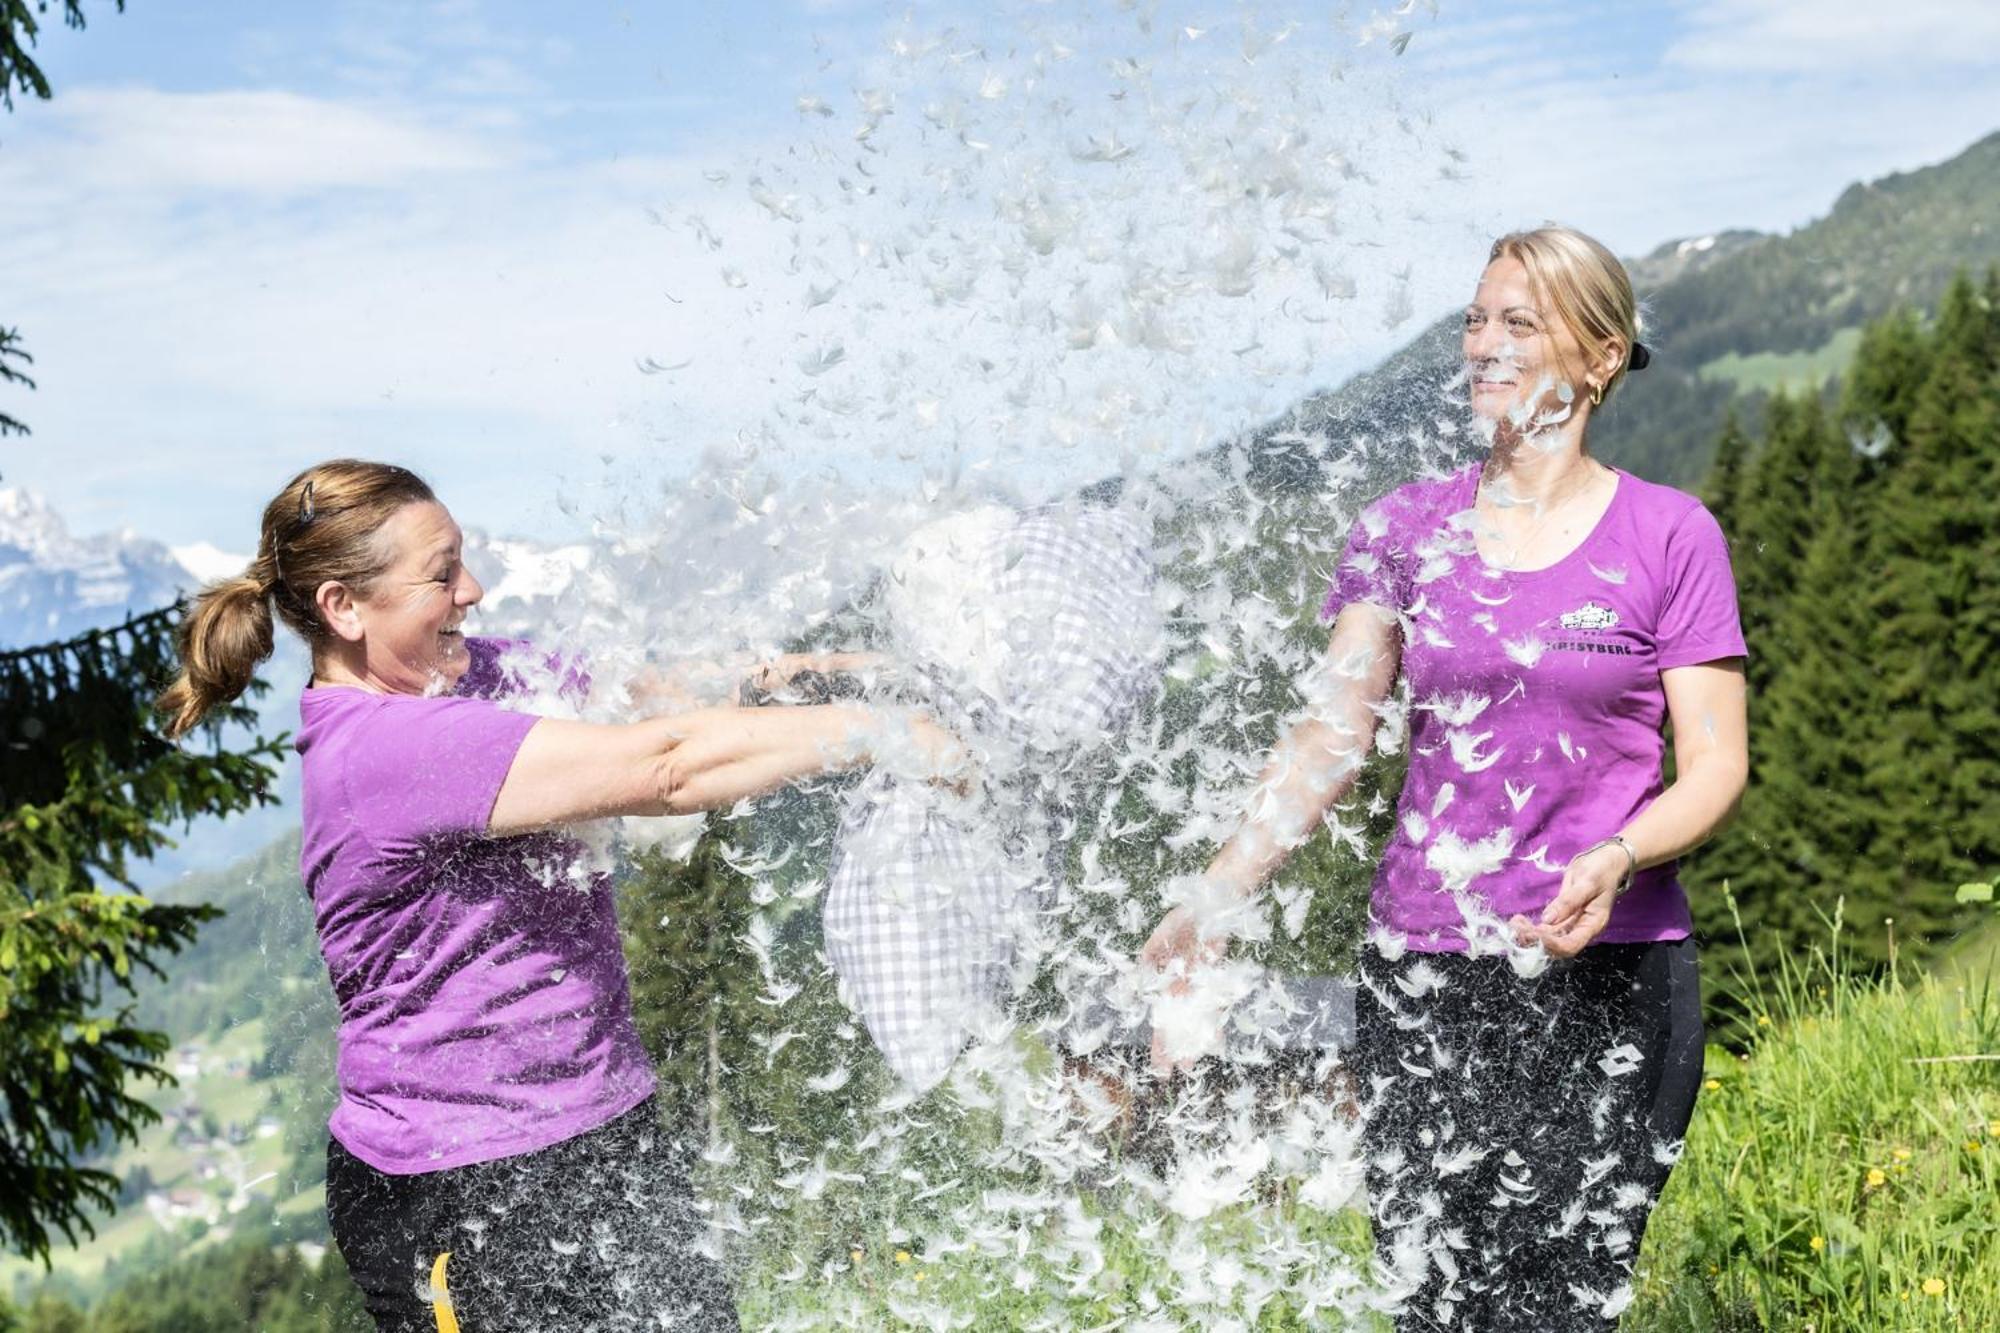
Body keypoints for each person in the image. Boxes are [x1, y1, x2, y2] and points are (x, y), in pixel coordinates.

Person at [157, 459, 962, 1333]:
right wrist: (886, 733)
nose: (473, 588)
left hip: (609, 1131)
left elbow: (645, 697)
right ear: (344, 608)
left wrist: (860, 671)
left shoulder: (468, 677)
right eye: (440, 573)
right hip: (463, 1190)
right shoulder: (384, 749)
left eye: (463, 558)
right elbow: (666, 766)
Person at [1140, 226, 1749, 1330]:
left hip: (1610, 967)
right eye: (1475, 319)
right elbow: (1329, 735)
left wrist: (1618, 854)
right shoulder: (1401, 529)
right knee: (1438, 1302)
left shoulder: (1670, 534)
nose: (1483, 344)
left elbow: (1714, 767)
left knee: (1561, 1303)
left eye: (1519, 321)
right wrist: (1221, 885)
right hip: (1424, 973)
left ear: (1600, 357)